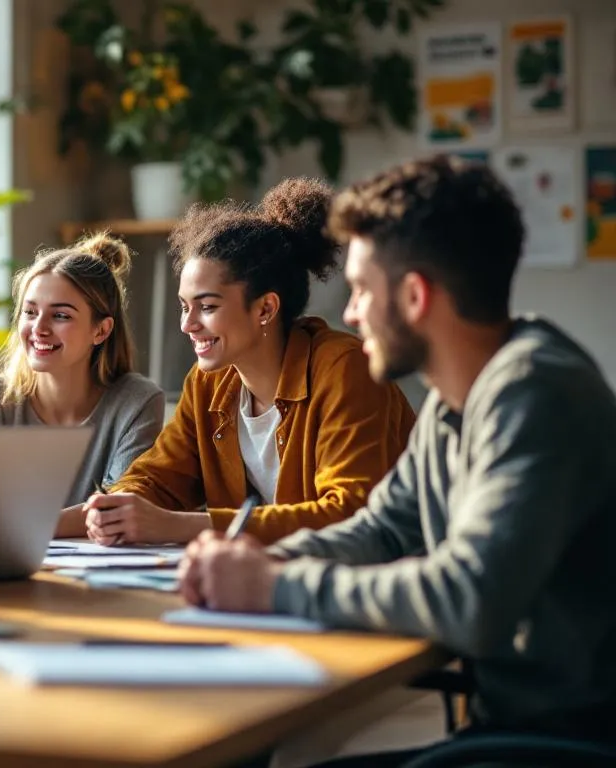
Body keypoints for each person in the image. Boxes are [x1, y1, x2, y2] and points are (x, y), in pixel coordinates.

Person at [181, 156, 616, 760]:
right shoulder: (451, 399)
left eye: (361, 291)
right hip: (508, 730)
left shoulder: (535, 393)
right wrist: (249, 560)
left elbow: (469, 597)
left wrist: (276, 585)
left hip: (563, 742)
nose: (351, 314)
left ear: (414, 296)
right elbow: (384, 527)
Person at [87, 179, 415, 546]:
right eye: (184, 306)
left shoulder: (343, 368)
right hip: (265, 581)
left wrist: (180, 526)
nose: (187, 324)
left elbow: (347, 513)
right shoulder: (207, 383)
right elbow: (159, 477)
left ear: (265, 309)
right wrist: (117, 507)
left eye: (207, 307)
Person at [0, 233, 163, 537]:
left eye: (60, 315)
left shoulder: (137, 402)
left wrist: (6, 526)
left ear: (101, 330)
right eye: (30, 312)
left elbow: (116, 512)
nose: (39, 328)